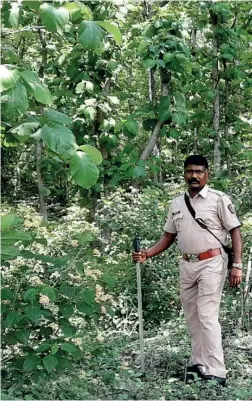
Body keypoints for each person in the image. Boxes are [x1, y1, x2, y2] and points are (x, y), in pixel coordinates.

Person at [132, 155, 243, 386]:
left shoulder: (218, 199)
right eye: (190, 171)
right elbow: (168, 236)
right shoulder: (177, 203)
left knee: (207, 315)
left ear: (207, 174)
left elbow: (235, 231)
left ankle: (216, 372)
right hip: (187, 264)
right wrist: (147, 254)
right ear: (184, 173)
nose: (194, 175)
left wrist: (237, 265)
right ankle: (199, 365)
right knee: (192, 316)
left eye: (199, 171)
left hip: (212, 262)